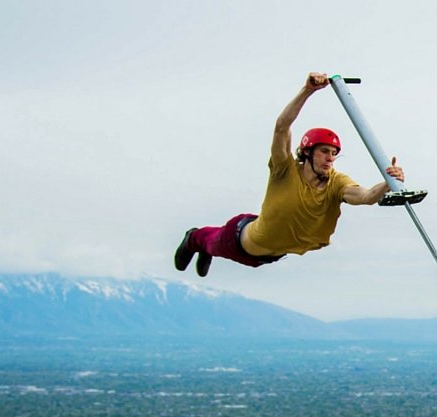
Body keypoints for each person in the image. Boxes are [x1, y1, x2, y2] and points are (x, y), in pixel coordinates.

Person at [174, 72, 405, 277]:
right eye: (324, 151)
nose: (330, 158)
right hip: (242, 240)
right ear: (307, 152)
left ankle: (203, 247)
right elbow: (282, 127)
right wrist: (308, 90)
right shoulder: (285, 169)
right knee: (211, 243)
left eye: (334, 153)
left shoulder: (337, 183)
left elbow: (364, 196)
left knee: (215, 246)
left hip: (268, 256)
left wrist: (387, 182)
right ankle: (193, 239)